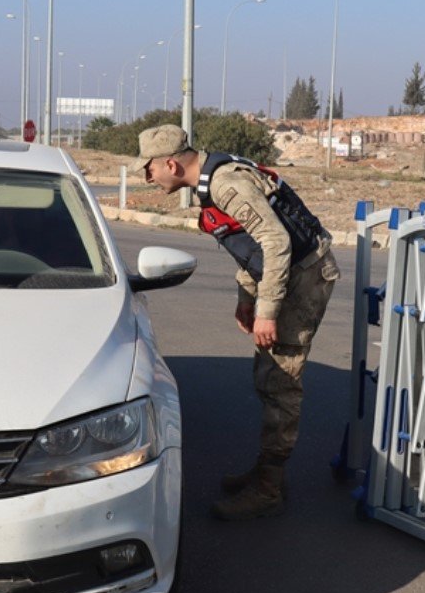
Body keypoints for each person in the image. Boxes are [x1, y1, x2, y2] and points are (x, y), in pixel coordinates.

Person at [133, 124, 340, 520]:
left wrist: (266, 310)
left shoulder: (226, 185)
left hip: (303, 277)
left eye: (149, 169)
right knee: (267, 376)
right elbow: (250, 245)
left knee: (280, 379)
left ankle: (268, 489)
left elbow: (276, 244)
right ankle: (268, 474)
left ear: (171, 164)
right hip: (285, 275)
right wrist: (247, 297)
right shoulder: (212, 180)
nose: (147, 177)